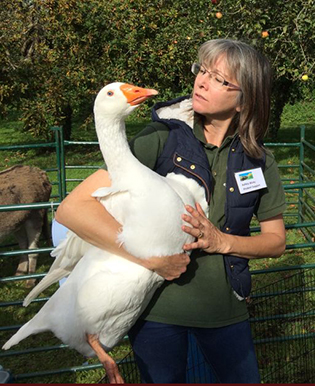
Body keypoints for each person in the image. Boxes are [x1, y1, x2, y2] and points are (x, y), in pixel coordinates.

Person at [55, 39, 286, 383]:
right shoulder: (160, 139)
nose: (202, 82)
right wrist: (150, 261)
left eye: (220, 79)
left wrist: (222, 241)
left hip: (227, 312)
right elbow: (72, 209)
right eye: (202, 71)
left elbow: (275, 242)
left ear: (245, 100)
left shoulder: (260, 162)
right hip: (157, 315)